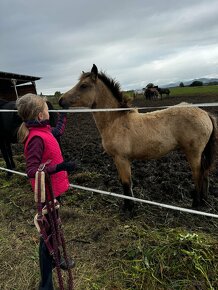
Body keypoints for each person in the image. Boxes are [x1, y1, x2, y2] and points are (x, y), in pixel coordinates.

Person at [16, 93, 75, 290]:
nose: (50, 111)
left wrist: (64, 114)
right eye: (47, 108)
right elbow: (31, 171)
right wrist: (58, 167)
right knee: (47, 237)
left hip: (53, 190)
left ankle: (58, 260)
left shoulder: (44, 130)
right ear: (40, 115)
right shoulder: (34, 139)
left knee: (54, 230)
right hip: (46, 192)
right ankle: (46, 285)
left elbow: (57, 132)